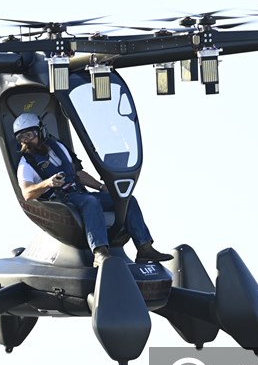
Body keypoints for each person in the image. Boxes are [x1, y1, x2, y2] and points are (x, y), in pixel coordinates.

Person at [13, 113, 173, 267]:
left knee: (127, 200)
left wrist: (103, 188)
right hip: (61, 202)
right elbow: (27, 193)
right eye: (21, 138)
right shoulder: (26, 164)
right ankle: (99, 252)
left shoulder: (59, 147)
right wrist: (47, 183)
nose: (26, 140)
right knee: (91, 202)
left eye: (30, 134)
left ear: (41, 131)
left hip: (79, 194)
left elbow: (79, 174)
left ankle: (144, 248)